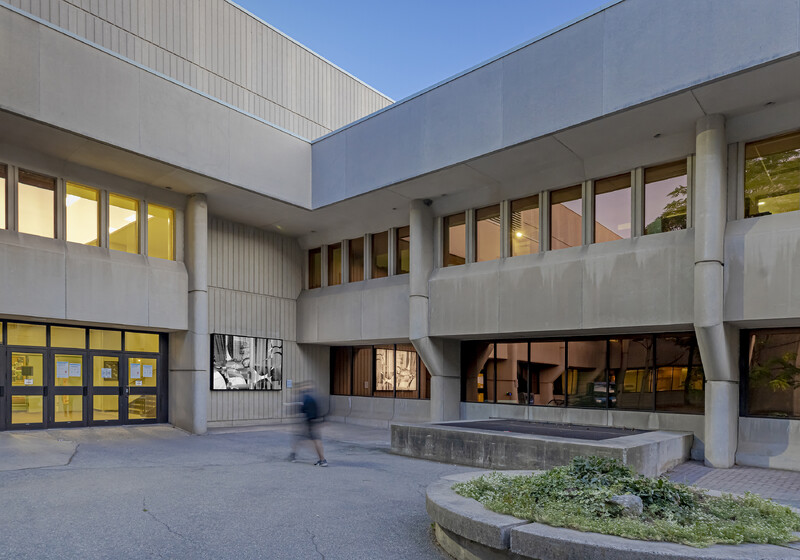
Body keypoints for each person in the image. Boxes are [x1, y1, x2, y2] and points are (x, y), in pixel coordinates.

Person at [288, 381, 327, 467]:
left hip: (309, 421)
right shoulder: (315, 396)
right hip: (314, 421)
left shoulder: (305, 398)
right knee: (303, 438)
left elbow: (302, 409)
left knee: (310, 439)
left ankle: (322, 460)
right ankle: (293, 454)